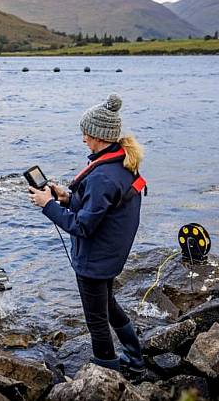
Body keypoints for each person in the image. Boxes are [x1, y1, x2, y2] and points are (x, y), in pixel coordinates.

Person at [28, 93, 146, 372]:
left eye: (87, 133)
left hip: (95, 260)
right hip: (111, 255)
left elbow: (82, 225)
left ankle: (107, 370)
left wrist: (47, 205)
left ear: (100, 136)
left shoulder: (102, 175)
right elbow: (101, 207)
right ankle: (135, 358)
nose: (83, 138)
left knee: (96, 320)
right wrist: (66, 198)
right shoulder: (122, 165)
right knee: (108, 304)